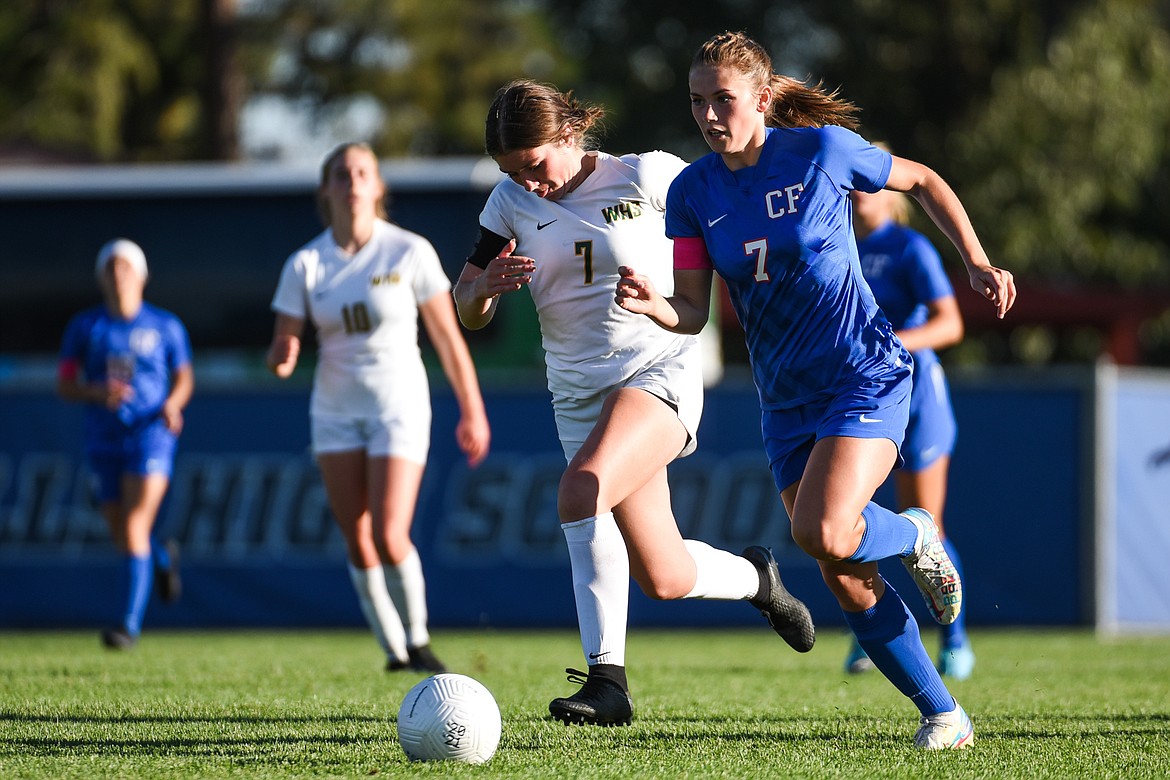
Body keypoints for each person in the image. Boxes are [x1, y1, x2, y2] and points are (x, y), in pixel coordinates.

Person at [615, 31, 1015, 749]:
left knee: (822, 532)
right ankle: (945, 715)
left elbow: (921, 180)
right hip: (785, 400)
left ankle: (917, 533)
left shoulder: (822, 151)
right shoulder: (690, 193)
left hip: (865, 371)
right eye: (697, 101)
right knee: (840, 569)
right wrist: (654, 303)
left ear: (762, 100)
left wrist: (978, 261)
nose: (708, 115)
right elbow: (694, 309)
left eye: (723, 99)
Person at [453, 79, 816, 728]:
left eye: (534, 164)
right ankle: (758, 579)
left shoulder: (648, 176)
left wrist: (686, 285)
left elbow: (724, 221)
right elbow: (466, 306)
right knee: (666, 574)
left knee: (580, 487)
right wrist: (486, 288)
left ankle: (607, 684)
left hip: (659, 369)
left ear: (569, 133)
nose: (526, 183)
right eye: (512, 172)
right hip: (577, 397)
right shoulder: (507, 203)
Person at [266, 142, 491, 674]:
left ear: (378, 186)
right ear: (326, 189)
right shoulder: (305, 263)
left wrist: (471, 409)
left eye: (361, 172)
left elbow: (448, 338)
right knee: (357, 537)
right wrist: (283, 355)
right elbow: (281, 352)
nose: (351, 182)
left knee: (390, 534)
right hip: (335, 412)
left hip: (399, 406)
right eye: (341, 174)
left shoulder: (407, 251)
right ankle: (393, 647)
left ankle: (418, 640)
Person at [843, 176, 976, 680]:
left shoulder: (910, 247)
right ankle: (876, 631)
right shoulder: (839, 243)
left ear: (891, 192)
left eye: (867, 184)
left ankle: (955, 641)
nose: (857, 193)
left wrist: (893, 341)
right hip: (863, 399)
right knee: (847, 520)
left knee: (927, 526)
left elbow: (951, 324)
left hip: (918, 398)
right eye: (851, 186)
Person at [57, 238, 192, 650]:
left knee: (134, 525)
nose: (119, 276)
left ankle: (127, 626)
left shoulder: (165, 326)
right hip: (104, 438)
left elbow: (183, 376)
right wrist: (97, 393)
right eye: (111, 269)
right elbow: (65, 383)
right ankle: (163, 557)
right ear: (101, 277)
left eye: (126, 268)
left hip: (150, 434)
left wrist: (172, 403)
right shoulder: (86, 327)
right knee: (121, 532)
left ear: (142, 275)